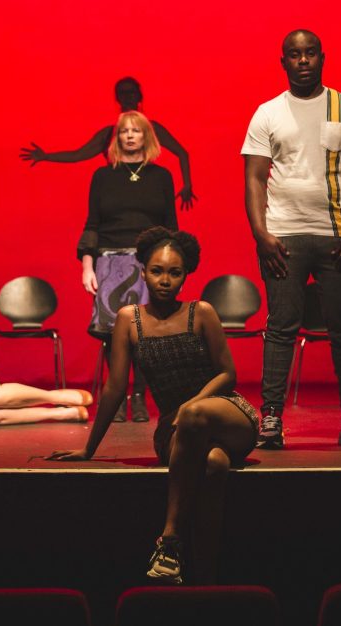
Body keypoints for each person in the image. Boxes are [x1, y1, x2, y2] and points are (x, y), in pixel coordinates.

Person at [50, 227, 259, 585]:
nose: (165, 280)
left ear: (185, 275)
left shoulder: (202, 312)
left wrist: (190, 406)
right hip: (178, 433)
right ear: (142, 270)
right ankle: (206, 577)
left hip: (225, 414)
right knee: (214, 463)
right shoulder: (129, 319)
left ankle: (170, 539)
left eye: (174, 273)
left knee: (195, 416)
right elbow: (115, 388)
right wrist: (88, 448)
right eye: (157, 271)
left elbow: (228, 375)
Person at [242, 29, 341, 450]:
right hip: (284, 237)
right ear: (282, 62)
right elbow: (254, 178)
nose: (303, 61)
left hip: (337, 237)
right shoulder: (268, 113)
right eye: (294, 55)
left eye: (310, 54)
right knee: (281, 328)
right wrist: (262, 235)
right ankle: (271, 419)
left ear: (323, 57)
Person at [78, 110, 178, 422]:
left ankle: (139, 398)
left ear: (146, 136)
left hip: (149, 263)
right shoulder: (103, 176)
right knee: (113, 334)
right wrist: (87, 266)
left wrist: (172, 266)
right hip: (110, 262)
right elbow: (92, 223)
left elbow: (170, 225)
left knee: (146, 334)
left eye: (136, 130)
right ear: (118, 138)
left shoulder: (161, 176)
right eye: (124, 131)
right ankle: (118, 395)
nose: (130, 135)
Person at [19, 77, 198, 209]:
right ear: (117, 98)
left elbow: (182, 153)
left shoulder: (152, 129)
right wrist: (46, 156)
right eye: (123, 93)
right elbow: (78, 155)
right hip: (117, 197)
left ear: (139, 96)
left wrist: (187, 184)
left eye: (131, 92)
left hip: (147, 196)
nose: (127, 96)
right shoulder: (108, 135)